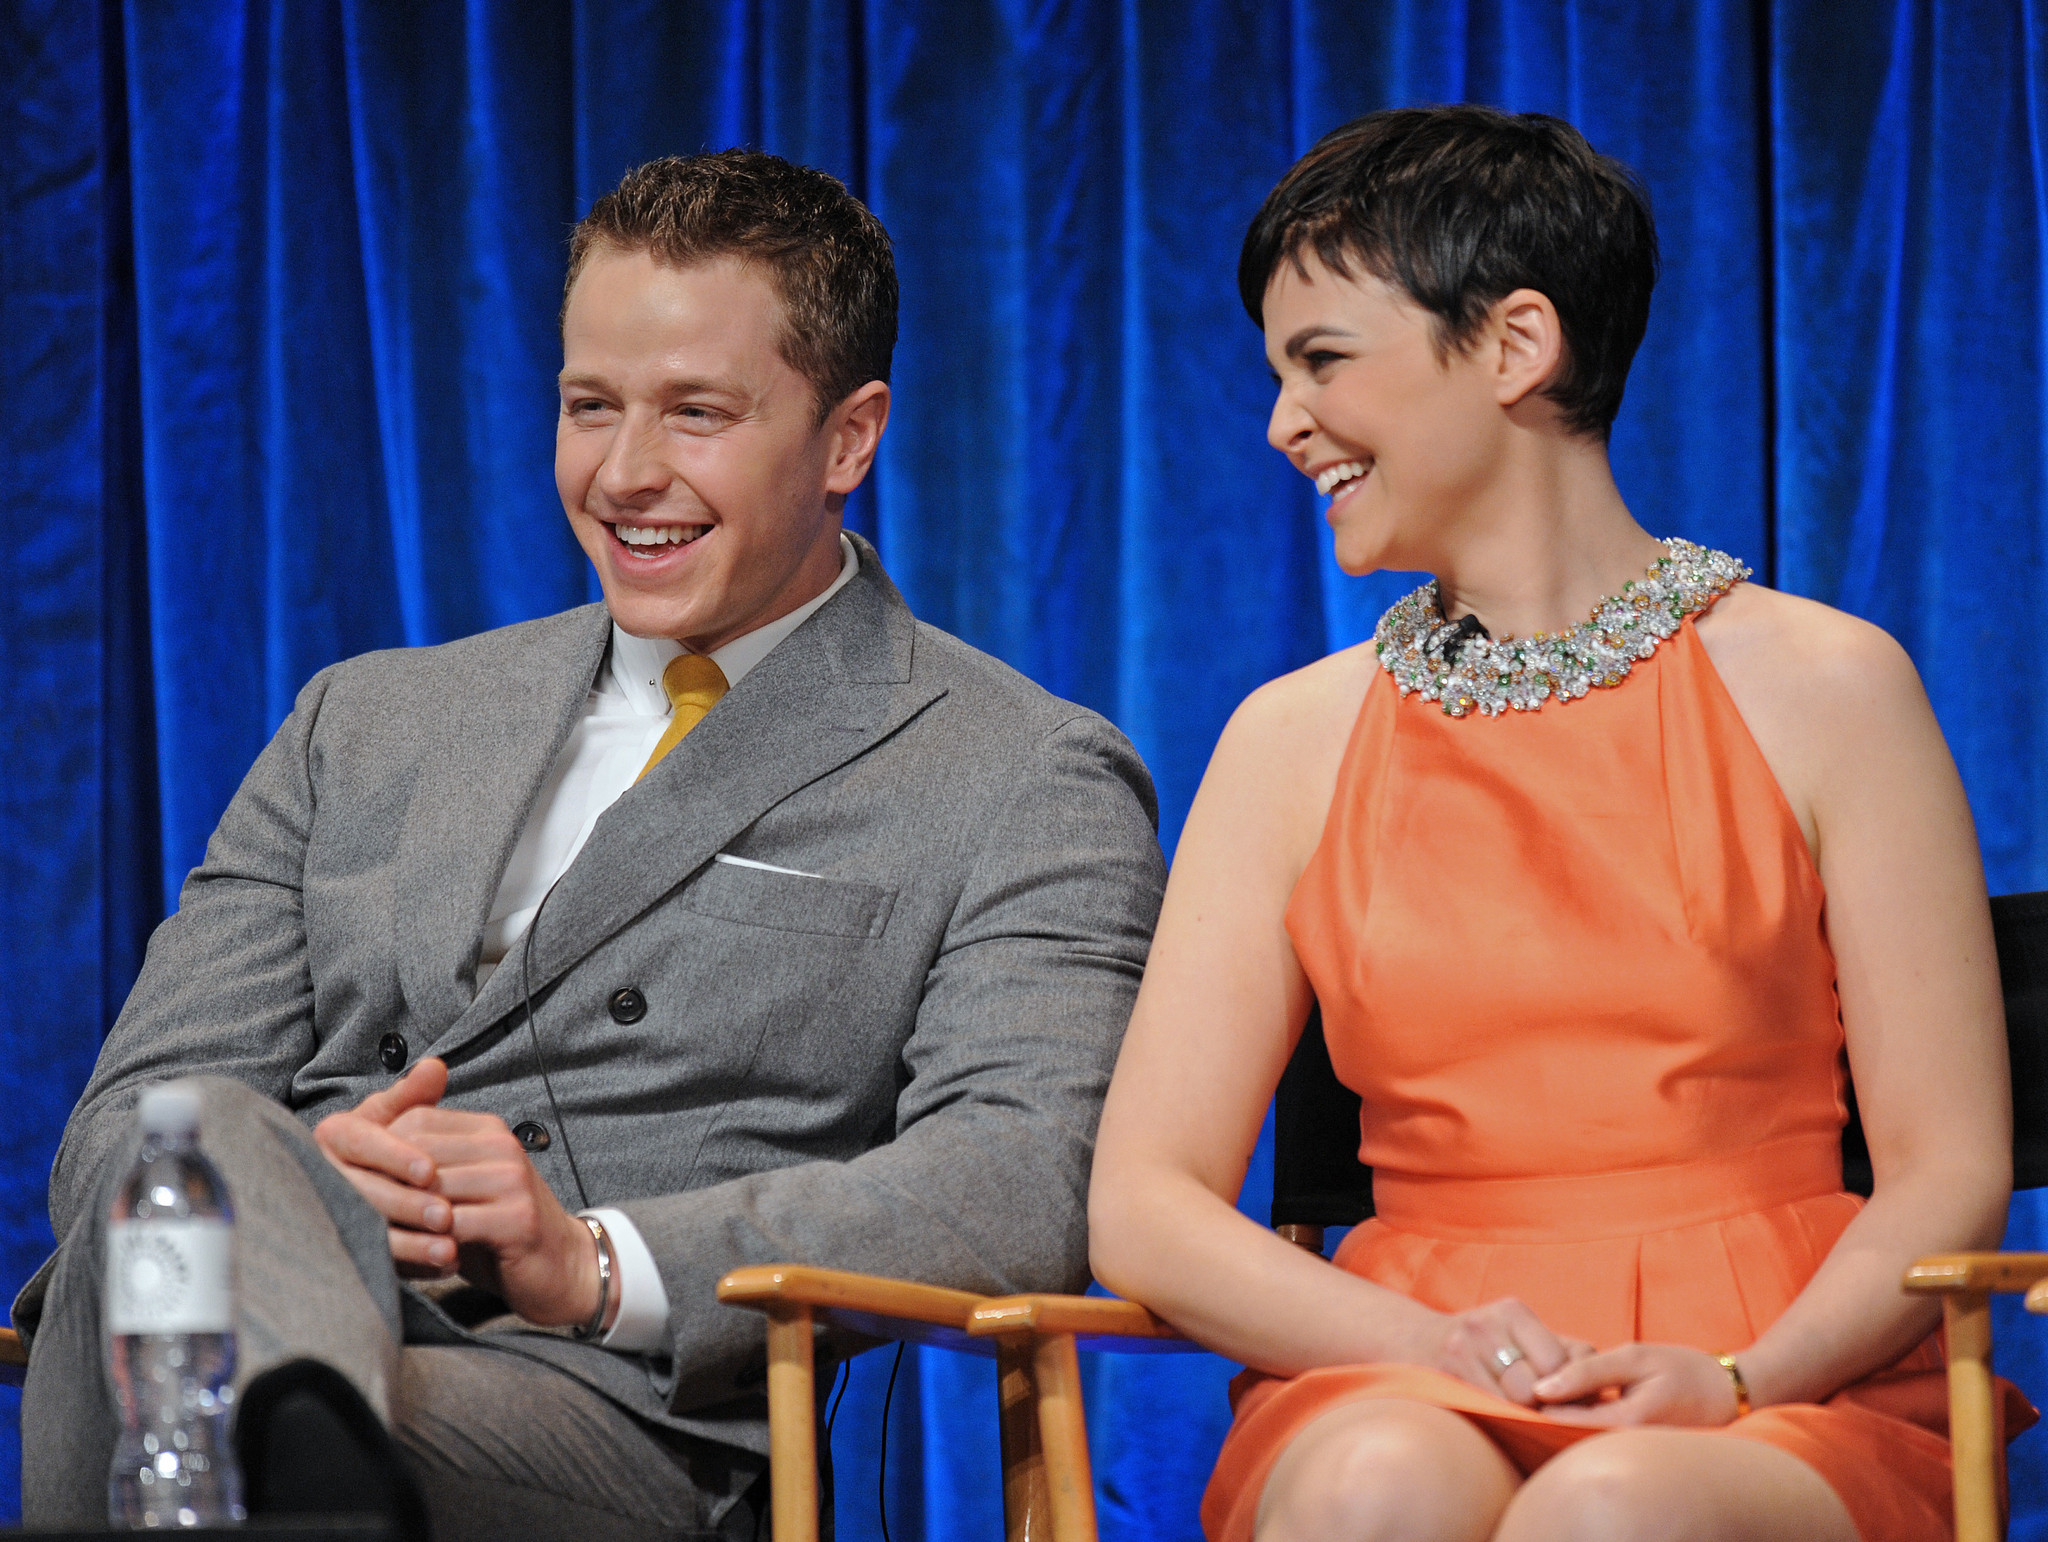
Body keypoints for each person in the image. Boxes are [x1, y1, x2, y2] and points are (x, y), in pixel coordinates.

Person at [17, 150, 1166, 1539]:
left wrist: (593, 1260)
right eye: (589, 406)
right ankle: (283, 1437)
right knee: (195, 1142)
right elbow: (110, 1141)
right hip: (228, 1326)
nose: (626, 474)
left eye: (695, 413)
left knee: (174, 1353)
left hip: (601, 1413)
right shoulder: (361, 718)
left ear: (849, 436)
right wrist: (319, 1185)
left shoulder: (1018, 769)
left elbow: (1023, 1175)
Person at [1086, 105, 2031, 1542]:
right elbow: (1148, 1203)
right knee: (1373, 1482)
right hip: (1406, 1365)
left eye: (1323, 361)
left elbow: (1950, 1166)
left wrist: (1734, 1375)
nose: (1282, 424)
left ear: (1518, 345)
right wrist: (1429, 1345)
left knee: (1610, 1511)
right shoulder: (1287, 739)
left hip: (1785, 1377)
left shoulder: (1832, 684)